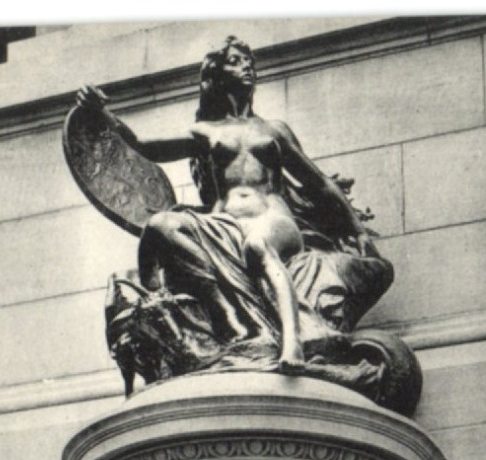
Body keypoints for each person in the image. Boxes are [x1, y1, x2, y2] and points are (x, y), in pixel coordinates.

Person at [78, 36, 393, 376]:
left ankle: (293, 342)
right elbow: (146, 148)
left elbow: (320, 184)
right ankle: (235, 325)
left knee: (257, 247)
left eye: (249, 61)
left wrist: (356, 230)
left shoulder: (273, 130)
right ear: (216, 75)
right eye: (236, 61)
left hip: (272, 218)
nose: (247, 67)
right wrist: (103, 114)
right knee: (161, 227)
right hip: (225, 223)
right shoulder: (205, 131)